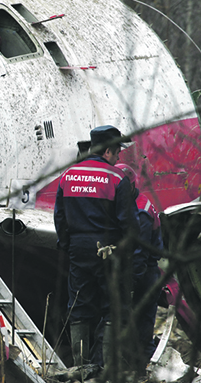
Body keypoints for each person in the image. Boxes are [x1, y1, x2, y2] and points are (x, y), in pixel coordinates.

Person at [54, 125, 140, 368]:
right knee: (112, 308)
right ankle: (106, 368)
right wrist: (124, 252)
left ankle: (81, 368)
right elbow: (129, 225)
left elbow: (59, 217)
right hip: (109, 250)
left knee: (79, 305)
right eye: (117, 152)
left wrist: (67, 245)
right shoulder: (117, 178)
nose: (119, 157)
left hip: (78, 249)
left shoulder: (67, 176)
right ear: (109, 151)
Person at [115, 163, 163, 366]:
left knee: (142, 324)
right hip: (143, 270)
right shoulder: (136, 204)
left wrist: (131, 282)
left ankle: (144, 366)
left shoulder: (141, 211)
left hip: (145, 272)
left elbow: (139, 253)